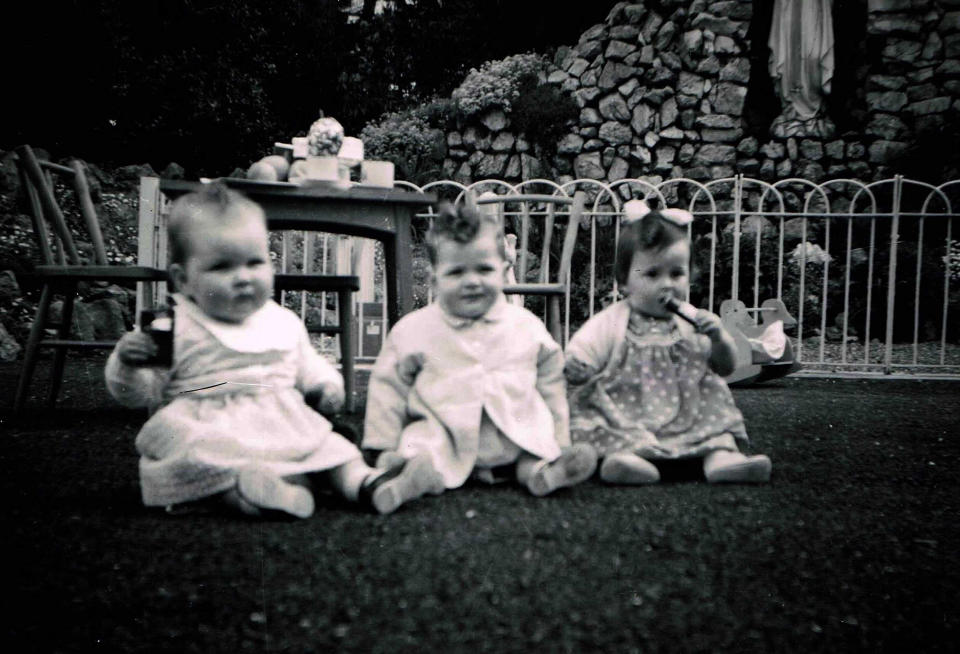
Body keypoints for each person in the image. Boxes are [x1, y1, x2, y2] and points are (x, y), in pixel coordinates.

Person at [105, 182, 443, 518]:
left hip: (279, 419)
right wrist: (127, 364)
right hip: (209, 423)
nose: (243, 277)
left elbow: (306, 363)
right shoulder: (173, 325)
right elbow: (138, 393)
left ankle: (370, 484)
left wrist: (325, 386)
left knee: (332, 447)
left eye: (255, 263)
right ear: (182, 279)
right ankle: (251, 495)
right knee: (205, 456)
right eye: (222, 267)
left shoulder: (281, 320)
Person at [362, 199, 597, 496]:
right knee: (422, 449)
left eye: (484, 270)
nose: (472, 281)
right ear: (435, 279)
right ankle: (414, 478)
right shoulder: (414, 330)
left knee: (534, 448)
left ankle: (543, 474)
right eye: (457, 273)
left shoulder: (525, 325)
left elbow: (551, 382)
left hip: (512, 431)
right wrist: (382, 442)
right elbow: (389, 387)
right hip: (445, 432)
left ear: (503, 270)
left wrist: (560, 437)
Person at [564, 200, 772, 485]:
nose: (667, 284)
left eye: (676, 274)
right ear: (624, 282)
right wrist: (578, 363)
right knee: (602, 423)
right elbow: (587, 346)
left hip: (687, 411)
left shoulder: (693, 321)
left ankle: (721, 459)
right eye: (652, 274)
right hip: (629, 410)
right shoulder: (614, 320)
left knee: (715, 420)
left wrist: (719, 338)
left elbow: (725, 367)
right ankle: (628, 462)